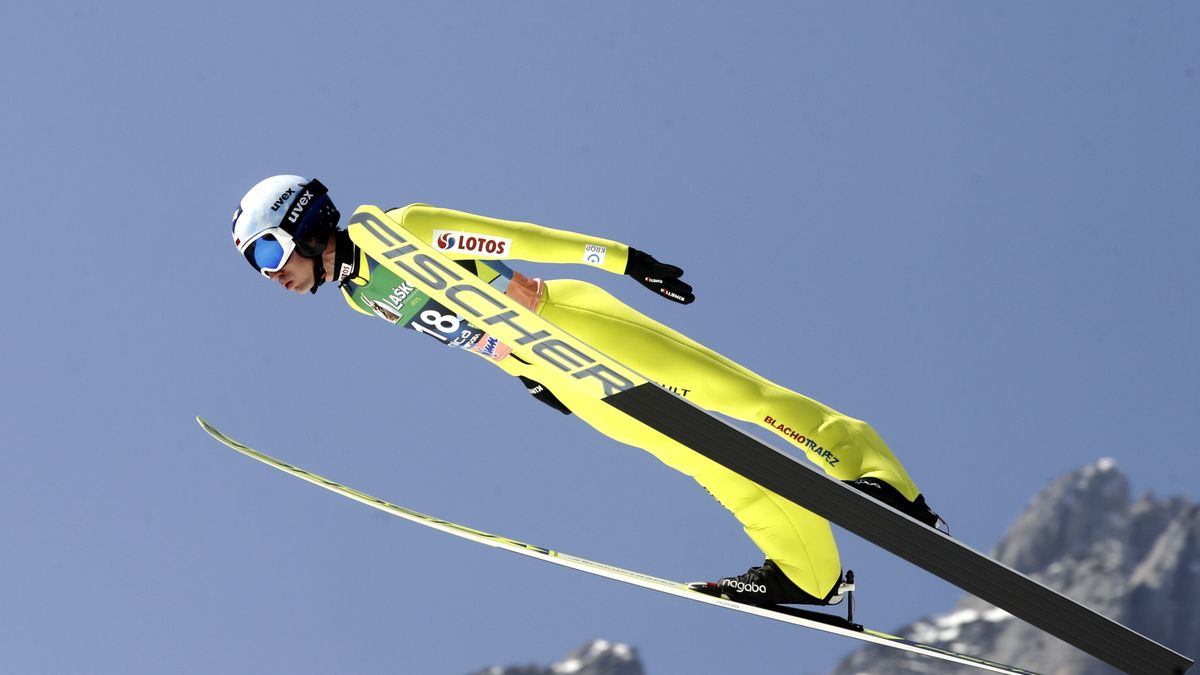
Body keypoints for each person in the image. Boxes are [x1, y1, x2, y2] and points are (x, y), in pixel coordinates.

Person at [230, 174, 942, 607]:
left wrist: (625, 260)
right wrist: (529, 377)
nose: (270, 274)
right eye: (255, 265)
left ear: (304, 223)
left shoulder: (401, 229)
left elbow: (519, 240)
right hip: (563, 373)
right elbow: (468, 332)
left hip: (573, 321)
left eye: (267, 250)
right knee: (706, 457)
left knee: (738, 396)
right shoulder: (360, 297)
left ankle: (878, 478)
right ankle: (810, 572)